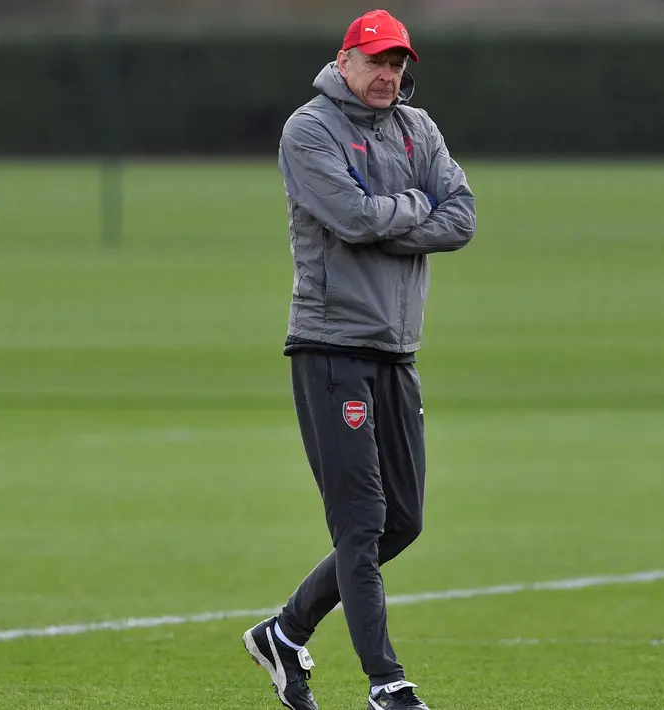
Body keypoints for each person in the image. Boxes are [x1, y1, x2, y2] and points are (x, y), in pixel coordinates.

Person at [242, 9, 475, 710]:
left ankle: (284, 632)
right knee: (361, 522)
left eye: (397, 63)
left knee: (403, 521)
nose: (387, 75)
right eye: (375, 61)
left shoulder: (418, 127)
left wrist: (390, 211)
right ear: (343, 60)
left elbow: (460, 217)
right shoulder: (309, 129)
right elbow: (350, 218)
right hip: (330, 345)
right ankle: (387, 684)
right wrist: (414, 206)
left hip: (396, 351)